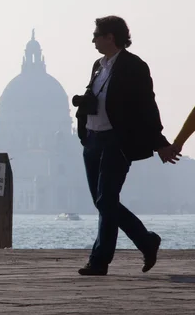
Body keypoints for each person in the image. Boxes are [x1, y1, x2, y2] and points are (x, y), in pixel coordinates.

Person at [72, 15, 180, 276]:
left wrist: (160, 143)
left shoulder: (134, 66)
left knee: (106, 199)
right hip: (93, 140)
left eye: (97, 35)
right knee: (103, 202)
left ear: (110, 37)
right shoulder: (98, 66)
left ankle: (105, 257)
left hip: (116, 141)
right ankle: (136, 245)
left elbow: (147, 106)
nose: (93, 40)